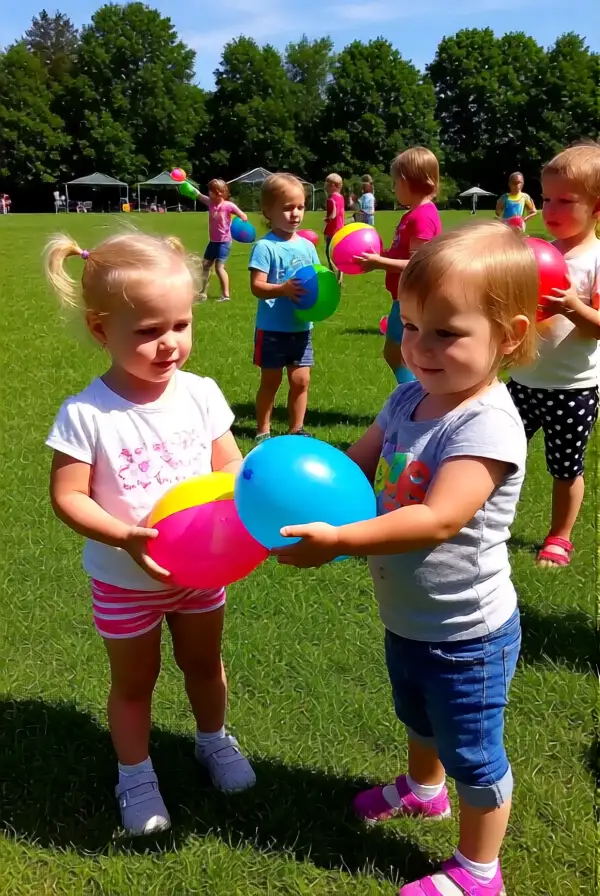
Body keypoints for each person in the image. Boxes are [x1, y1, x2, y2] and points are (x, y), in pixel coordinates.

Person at [275, 220, 538, 896]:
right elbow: (354, 466)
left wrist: (337, 543)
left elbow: (437, 518)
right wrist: (287, 482)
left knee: (476, 757)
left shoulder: (486, 424)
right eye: (413, 326)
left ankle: (481, 873)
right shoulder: (406, 398)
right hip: (410, 617)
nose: (420, 347)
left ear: (507, 337)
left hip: (467, 633)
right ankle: (425, 789)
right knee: (418, 717)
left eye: (447, 333)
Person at [45, 231, 256, 836]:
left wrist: (249, 509)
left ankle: (213, 740)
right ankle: (135, 773)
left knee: (204, 663)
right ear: (98, 329)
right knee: (134, 683)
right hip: (124, 579)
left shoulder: (201, 395)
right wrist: (123, 535)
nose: (170, 345)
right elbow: (67, 497)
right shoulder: (86, 414)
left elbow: (229, 469)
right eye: (147, 331)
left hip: (201, 573)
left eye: (181, 325)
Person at [507, 142, 600, 567]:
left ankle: (559, 536)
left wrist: (573, 307)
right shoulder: (540, 252)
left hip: (572, 389)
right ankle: (485, 519)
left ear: (597, 208)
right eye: (546, 199)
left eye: (565, 200)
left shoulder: (595, 260)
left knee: (565, 468)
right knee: (496, 453)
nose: (550, 208)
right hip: (524, 382)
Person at [355, 146, 442, 384]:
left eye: (395, 182)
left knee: (401, 354)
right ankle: (415, 394)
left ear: (408, 181)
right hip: (403, 298)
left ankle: (414, 395)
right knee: (396, 353)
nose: (393, 188)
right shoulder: (412, 214)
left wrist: (378, 262)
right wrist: (380, 254)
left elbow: (418, 263)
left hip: (413, 300)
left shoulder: (422, 216)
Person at [249, 173, 319, 441]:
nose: (295, 214)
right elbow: (257, 286)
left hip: (301, 327)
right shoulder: (265, 247)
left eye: (300, 207)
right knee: (271, 381)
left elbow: (315, 279)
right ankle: (263, 430)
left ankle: (296, 429)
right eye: (287, 208)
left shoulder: (307, 246)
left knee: (301, 381)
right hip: (272, 328)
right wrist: (283, 289)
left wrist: (326, 291)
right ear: (268, 211)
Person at [196, 179, 248, 303]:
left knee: (219, 268)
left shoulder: (229, 205)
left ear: (218, 192)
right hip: (213, 241)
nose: (208, 193)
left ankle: (226, 295)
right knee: (206, 266)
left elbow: (244, 216)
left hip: (224, 242)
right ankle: (203, 292)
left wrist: (239, 222)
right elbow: (198, 195)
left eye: (210, 191)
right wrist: (184, 183)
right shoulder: (210, 203)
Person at [323, 173, 345, 283]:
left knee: (328, 252)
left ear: (333, 185)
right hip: (341, 228)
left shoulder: (331, 199)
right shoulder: (341, 198)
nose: (325, 187)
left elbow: (333, 214)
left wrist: (327, 219)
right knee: (338, 252)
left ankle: (333, 272)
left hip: (332, 229)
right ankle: (340, 275)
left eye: (326, 185)